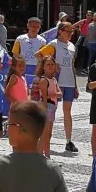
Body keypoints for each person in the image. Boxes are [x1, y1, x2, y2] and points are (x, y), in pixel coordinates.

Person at [37, 21, 81, 153]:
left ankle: (68, 141)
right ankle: (44, 139)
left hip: (69, 82)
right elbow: (38, 55)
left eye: (71, 31)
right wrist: (52, 64)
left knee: (67, 112)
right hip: (56, 81)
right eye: (67, 31)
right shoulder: (54, 44)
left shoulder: (72, 46)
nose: (69, 34)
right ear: (60, 31)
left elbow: (72, 66)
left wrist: (76, 86)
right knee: (51, 111)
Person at [31, 56, 61, 158]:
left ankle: (46, 156)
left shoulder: (53, 79)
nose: (51, 66)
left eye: (52, 64)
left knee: (48, 135)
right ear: (43, 67)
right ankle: (39, 156)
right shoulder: (44, 80)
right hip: (47, 107)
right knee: (44, 135)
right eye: (48, 64)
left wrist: (53, 94)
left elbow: (60, 93)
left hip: (52, 107)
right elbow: (44, 97)